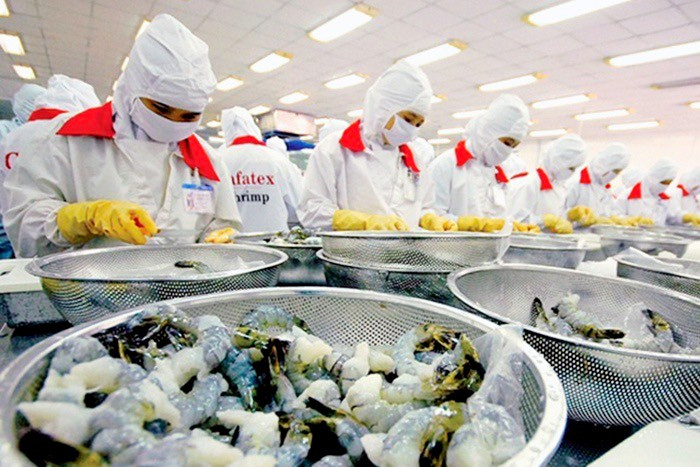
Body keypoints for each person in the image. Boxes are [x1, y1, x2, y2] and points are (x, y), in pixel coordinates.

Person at [3, 14, 241, 257]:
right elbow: (24, 226)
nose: (173, 122)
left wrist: (220, 238)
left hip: (183, 289)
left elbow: (222, 224)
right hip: (90, 290)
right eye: (161, 108)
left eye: (189, 116)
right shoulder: (62, 140)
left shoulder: (207, 161)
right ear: (131, 90)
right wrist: (84, 219)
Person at [299, 61, 450, 232]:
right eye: (407, 119)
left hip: (406, 256)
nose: (411, 130)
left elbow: (422, 206)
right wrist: (363, 222)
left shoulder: (413, 159)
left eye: (418, 124)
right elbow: (311, 210)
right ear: (385, 107)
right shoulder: (335, 150)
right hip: (350, 256)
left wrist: (429, 218)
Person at [429, 94, 529, 228]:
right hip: (448, 248)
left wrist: (510, 225)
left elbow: (495, 218)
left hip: (487, 249)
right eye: (507, 142)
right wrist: (461, 224)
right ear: (490, 132)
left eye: (514, 146)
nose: (508, 151)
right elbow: (431, 216)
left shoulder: (498, 176)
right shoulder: (446, 165)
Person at [219, 106, 302, 232]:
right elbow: (299, 208)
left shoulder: (217, 160)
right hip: (274, 244)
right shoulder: (278, 160)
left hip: (230, 245)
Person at [508, 133, 587, 233]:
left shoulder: (559, 187)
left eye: (575, 169)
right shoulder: (528, 185)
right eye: (570, 168)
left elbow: (556, 218)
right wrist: (542, 221)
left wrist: (569, 216)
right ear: (557, 160)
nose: (572, 173)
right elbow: (512, 221)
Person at [565, 143, 631, 224]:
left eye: (618, 172)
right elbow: (559, 214)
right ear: (606, 165)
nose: (615, 175)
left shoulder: (604, 187)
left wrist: (621, 219)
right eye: (615, 171)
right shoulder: (576, 181)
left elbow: (611, 211)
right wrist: (574, 215)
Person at [617, 158, 678, 225]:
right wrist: (630, 220)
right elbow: (616, 217)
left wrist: (683, 217)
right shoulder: (626, 196)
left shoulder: (666, 199)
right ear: (654, 178)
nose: (665, 186)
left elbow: (673, 217)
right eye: (663, 182)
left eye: (668, 183)